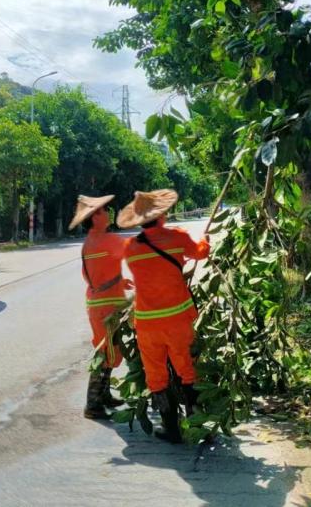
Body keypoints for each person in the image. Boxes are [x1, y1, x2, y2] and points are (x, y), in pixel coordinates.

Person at [116, 189, 210, 443]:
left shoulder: (130, 248)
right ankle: (196, 422)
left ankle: (171, 428)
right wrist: (205, 240)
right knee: (187, 371)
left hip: (147, 324)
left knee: (156, 375)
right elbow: (200, 253)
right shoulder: (176, 237)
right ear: (162, 215)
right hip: (178, 320)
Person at [69, 194, 130, 419]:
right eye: (104, 211)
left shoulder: (90, 243)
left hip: (98, 303)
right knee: (105, 352)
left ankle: (103, 395)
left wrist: (118, 282)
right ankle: (92, 405)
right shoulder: (107, 240)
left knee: (109, 349)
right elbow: (135, 251)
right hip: (106, 307)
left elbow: (90, 275)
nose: (108, 213)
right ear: (95, 218)